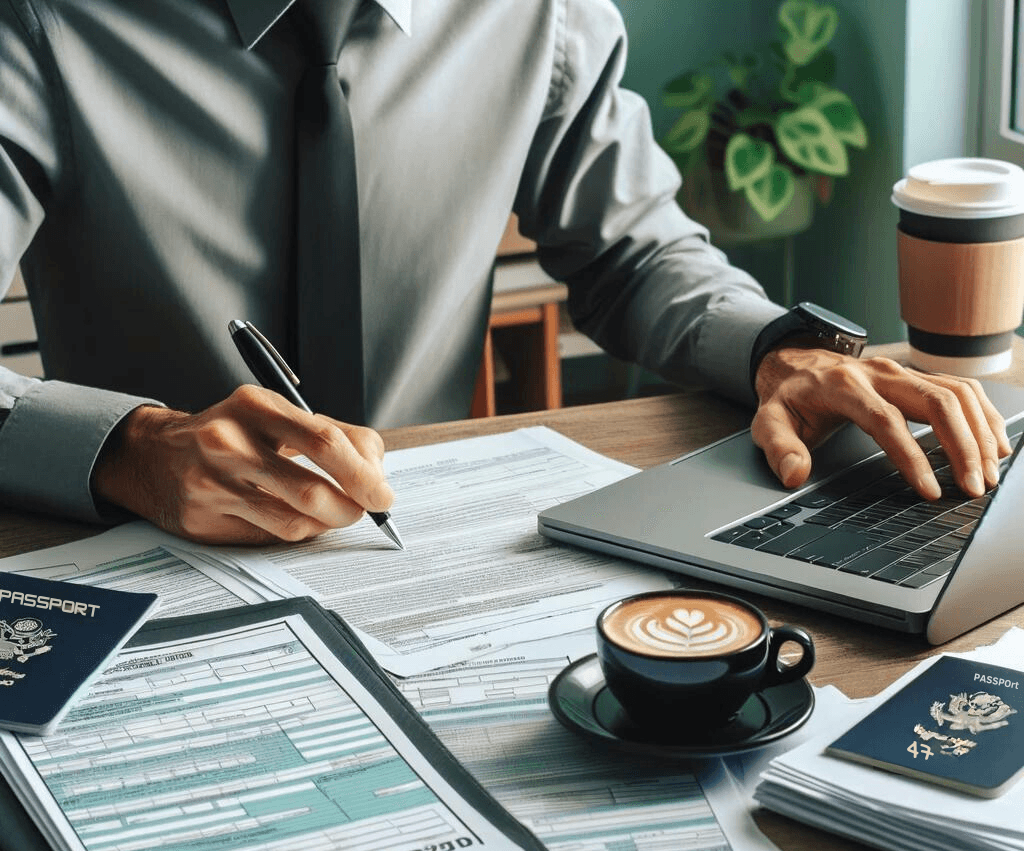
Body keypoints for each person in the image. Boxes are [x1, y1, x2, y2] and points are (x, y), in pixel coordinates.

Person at [0, 0, 1010, 545]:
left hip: (431, 545)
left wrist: (774, 350)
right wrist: (130, 449)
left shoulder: (539, 13)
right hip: (134, 554)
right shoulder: (40, 23)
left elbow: (633, 250)